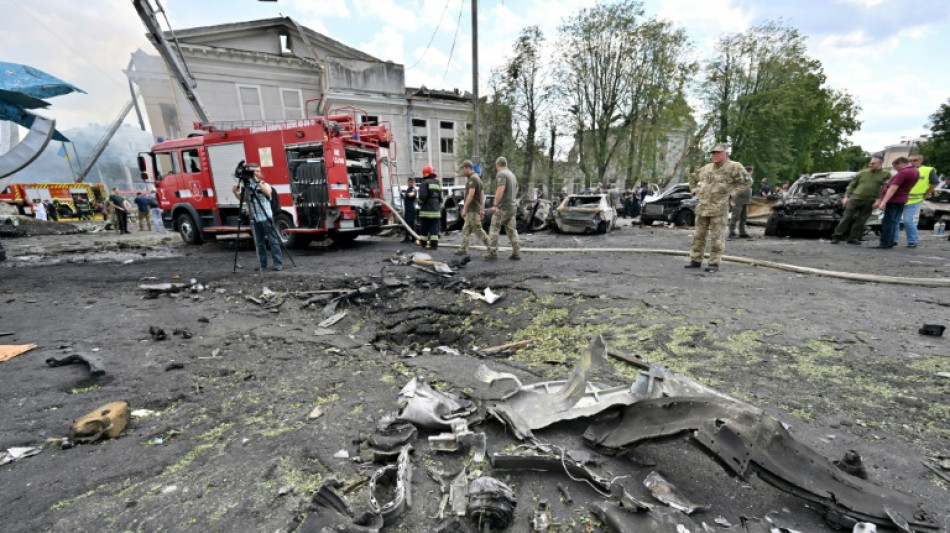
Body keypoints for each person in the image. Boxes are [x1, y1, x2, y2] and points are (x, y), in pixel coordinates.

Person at [685, 143, 752, 273]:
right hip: (703, 207)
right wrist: (695, 191)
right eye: (713, 153)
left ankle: (714, 263)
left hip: (719, 208)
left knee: (717, 237)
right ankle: (695, 260)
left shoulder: (734, 167)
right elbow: (692, 178)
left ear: (726, 153)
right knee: (698, 235)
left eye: (718, 153)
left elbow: (747, 181)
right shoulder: (706, 168)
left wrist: (732, 194)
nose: (715, 155)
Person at [231, 163, 283, 271]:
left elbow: (268, 193)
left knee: (273, 241)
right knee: (259, 243)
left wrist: (257, 181)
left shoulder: (264, 184)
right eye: (252, 171)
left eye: (257, 171)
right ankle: (262, 265)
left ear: (261, 173)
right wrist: (236, 192)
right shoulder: (248, 187)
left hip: (266, 217)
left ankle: (278, 264)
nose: (255, 173)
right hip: (255, 218)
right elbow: (244, 199)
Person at [830, 157, 890, 245]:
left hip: (870, 200)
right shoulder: (863, 173)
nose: (870, 165)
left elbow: (886, 188)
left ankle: (853, 238)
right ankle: (837, 236)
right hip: (855, 198)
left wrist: (879, 201)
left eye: (873, 163)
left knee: (861, 220)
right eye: (870, 163)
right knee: (846, 217)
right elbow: (852, 185)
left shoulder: (886, 174)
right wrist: (846, 197)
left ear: (880, 164)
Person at [872, 157, 918, 249]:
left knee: (888, 222)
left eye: (896, 167)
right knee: (894, 221)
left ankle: (885, 243)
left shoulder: (903, 173)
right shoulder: (915, 171)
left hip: (893, 200)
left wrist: (883, 202)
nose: (896, 169)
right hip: (902, 199)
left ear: (900, 164)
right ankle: (891, 241)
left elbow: (893, 188)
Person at [900, 155, 940, 247]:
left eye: (915, 160)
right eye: (910, 160)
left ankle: (913, 241)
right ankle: (892, 240)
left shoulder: (927, 170)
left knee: (908, 220)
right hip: (901, 198)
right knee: (896, 220)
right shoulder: (904, 169)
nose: (912, 162)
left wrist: (926, 193)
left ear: (921, 160)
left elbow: (935, 182)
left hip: (915, 199)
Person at [486, 156, 521, 260]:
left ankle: (492, 252)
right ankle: (516, 252)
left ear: (498, 165)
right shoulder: (512, 174)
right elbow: (517, 188)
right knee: (512, 230)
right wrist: (511, 198)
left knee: (494, 228)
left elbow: (500, 189)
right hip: (512, 207)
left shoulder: (501, 174)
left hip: (503, 208)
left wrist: (495, 205)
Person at [456, 160, 491, 255]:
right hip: (473, 209)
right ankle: (463, 249)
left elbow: (471, 194)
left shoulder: (473, 179)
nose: (463, 171)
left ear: (467, 168)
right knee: (466, 230)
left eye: (463, 169)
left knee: (478, 230)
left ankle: (491, 248)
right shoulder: (477, 178)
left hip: (472, 210)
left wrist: (465, 208)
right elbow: (482, 195)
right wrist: (482, 209)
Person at [416, 165, 442, 249]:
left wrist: (419, 203)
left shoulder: (424, 183)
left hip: (426, 211)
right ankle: (434, 245)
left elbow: (422, 197)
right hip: (436, 211)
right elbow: (440, 198)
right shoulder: (437, 183)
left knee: (424, 228)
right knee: (434, 229)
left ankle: (423, 243)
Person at [728, 166, 754, 239]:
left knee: (744, 217)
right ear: (749, 171)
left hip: (746, 200)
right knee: (735, 216)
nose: (752, 173)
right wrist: (731, 199)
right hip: (738, 200)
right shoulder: (740, 178)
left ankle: (742, 232)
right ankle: (731, 232)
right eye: (751, 171)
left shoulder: (748, 179)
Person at [402, 178, 417, 243]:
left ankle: (413, 238)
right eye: (409, 182)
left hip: (411, 209)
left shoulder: (413, 189)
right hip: (407, 209)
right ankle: (407, 238)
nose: (410, 183)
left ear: (413, 183)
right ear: (407, 182)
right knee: (407, 224)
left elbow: (412, 194)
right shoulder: (408, 189)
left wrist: (407, 195)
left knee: (410, 224)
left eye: (411, 182)